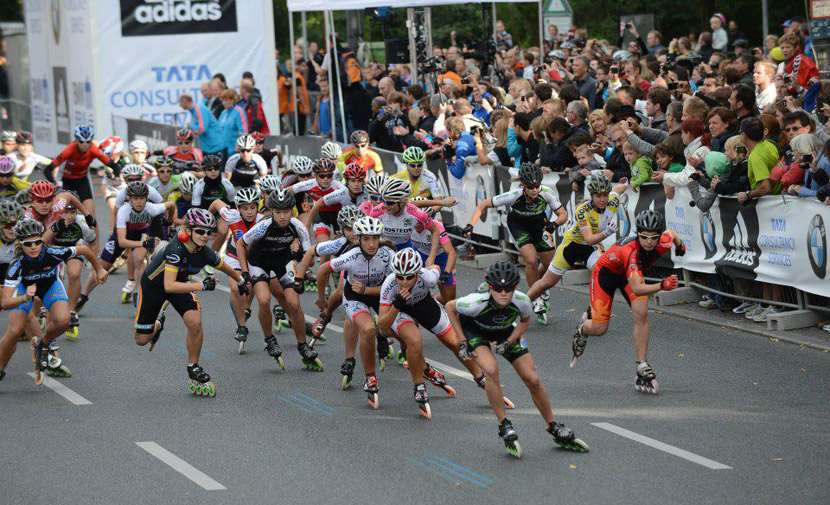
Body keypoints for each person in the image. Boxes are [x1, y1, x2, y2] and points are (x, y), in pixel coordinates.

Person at [446, 261, 589, 458]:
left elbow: (524, 320)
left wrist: (510, 341)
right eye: (498, 289)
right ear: (490, 287)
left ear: (515, 287)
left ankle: (553, 426)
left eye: (508, 289)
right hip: (476, 331)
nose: (503, 293)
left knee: (532, 379)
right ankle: (504, 425)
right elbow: (450, 307)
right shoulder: (474, 302)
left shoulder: (522, 301)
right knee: (491, 369)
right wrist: (462, 341)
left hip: (506, 331)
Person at [134, 208, 246, 396]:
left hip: (180, 284)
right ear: (189, 230)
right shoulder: (175, 249)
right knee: (141, 340)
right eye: (200, 231)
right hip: (155, 287)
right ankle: (158, 324)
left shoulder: (204, 251)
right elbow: (169, 286)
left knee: (195, 323)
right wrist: (201, 286)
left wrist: (242, 280)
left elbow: (224, 266)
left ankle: (193, 366)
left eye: (208, 232)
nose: (205, 236)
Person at [572, 210, 686, 395]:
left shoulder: (662, 241)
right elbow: (638, 289)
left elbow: (671, 233)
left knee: (642, 313)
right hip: (606, 275)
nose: (649, 242)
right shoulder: (630, 251)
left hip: (630, 276)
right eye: (644, 237)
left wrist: (680, 244)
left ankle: (641, 364)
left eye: (653, 238)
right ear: (637, 234)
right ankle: (583, 328)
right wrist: (662, 285)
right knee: (600, 329)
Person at [0, 218, 107, 383]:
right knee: (14, 331)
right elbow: (5, 302)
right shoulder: (17, 265)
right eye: (28, 244)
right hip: (25, 291)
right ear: (21, 244)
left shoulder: (52, 252)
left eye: (37, 242)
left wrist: (99, 269)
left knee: (64, 320)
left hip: (50, 285)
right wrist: (25, 297)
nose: (34, 247)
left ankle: (43, 344)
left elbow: (85, 249)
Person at [235, 189, 323, 372]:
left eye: (286, 212)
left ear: (292, 210)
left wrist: (297, 252)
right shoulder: (263, 225)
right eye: (278, 212)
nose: (282, 216)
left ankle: (302, 345)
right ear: (272, 211)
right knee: (264, 300)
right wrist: (244, 272)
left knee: (293, 303)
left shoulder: (298, 227)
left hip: (281, 264)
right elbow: (240, 244)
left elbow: (310, 258)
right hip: (258, 263)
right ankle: (270, 339)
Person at [465, 164, 567, 320]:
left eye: (537, 186)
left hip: (540, 225)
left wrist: (554, 224)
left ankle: (540, 286)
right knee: (531, 260)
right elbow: (483, 204)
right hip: (519, 226)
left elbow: (562, 214)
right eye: (530, 187)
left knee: (550, 265)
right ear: (523, 185)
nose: (534, 190)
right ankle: (536, 299)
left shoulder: (547, 193)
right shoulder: (514, 195)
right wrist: (471, 225)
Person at [317, 216, 394, 409]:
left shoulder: (388, 254)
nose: (371, 244)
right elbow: (323, 270)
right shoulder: (350, 256)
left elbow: (400, 279)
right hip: (354, 296)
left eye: (375, 238)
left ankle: (383, 336)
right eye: (366, 239)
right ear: (358, 239)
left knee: (402, 327)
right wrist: (321, 297)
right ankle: (370, 377)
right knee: (366, 329)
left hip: (378, 294)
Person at [527, 174, 619, 323]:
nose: (602, 199)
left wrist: (626, 183)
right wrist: (606, 232)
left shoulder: (613, 200)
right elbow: (588, 239)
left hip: (591, 249)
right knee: (547, 282)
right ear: (592, 195)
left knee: (602, 273)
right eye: (598, 196)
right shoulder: (582, 210)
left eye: (605, 195)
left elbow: (619, 189)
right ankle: (518, 306)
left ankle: (591, 311)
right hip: (572, 246)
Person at [213, 187, 262, 352]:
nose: (249, 212)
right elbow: (215, 202)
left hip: (254, 258)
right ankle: (242, 326)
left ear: (258, 206)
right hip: (233, 256)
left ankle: (247, 307)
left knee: (252, 285)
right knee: (235, 288)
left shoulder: (263, 220)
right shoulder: (231, 215)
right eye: (245, 208)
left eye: (252, 207)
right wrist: (208, 217)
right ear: (238, 208)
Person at [42, 202, 96, 339]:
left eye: (73, 212)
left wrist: (92, 261)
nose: (69, 216)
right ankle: (48, 306)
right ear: (60, 212)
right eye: (66, 212)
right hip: (55, 250)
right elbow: (43, 243)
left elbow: (92, 241)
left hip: (73, 250)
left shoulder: (81, 223)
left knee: (74, 273)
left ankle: (71, 310)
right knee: (56, 276)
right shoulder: (54, 222)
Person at [179, 93, 224, 158]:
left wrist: (191, 129)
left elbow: (202, 128)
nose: (180, 105)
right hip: (207, 147)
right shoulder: (193, 111)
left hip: (215, 146)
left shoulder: (199, 108)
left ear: (185, 101)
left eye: (180, 102)